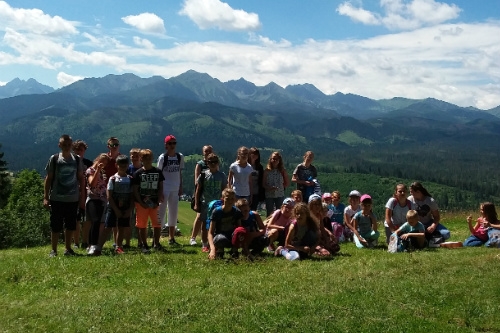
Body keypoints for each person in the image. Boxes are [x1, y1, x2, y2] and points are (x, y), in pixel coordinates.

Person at [43, 134, 86, 257]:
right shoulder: (55, 159)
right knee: (55, 224)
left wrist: (82, 197)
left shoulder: (77, 159)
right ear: (59, 145)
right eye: (64, 145)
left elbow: (81, 179)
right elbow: (48, 178)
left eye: (69, 145)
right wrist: (46, 197)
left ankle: (68, 249)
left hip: (73, 198)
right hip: (56, 198)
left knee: (70, 224)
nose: (67, 147)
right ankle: (54, 250)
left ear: (71, 145)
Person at [94, 155, 133, 255]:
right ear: (116, 165)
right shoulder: (112, 179)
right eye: (121, 166)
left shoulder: (130, 179)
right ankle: (98, 248)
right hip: (113, 207)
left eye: (125, 166)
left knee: (121, 228)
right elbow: (109, 196)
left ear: (128, 166)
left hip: (125, 207)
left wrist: (129, 210)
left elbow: (132, 196)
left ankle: (118, 247)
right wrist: (116, 210)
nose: (123, 168)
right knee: (107, 227)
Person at [191, 153, 227, 252]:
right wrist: (196, 203)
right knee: (204, 224)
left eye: (215, 162)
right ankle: (204, 244)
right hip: (205, 203)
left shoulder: (222, 175)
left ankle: (216, 243)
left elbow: (224, 190)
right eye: (210, 162)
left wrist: (224, 202)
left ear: (218, 163)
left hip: (217, 204)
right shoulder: (203, 175)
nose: (213, 164)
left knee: (217, 224)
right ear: (207, 163)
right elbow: (198, 190)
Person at [132, 149, 164, 253]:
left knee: (157, 224)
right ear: (141, 159)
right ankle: (144, 245)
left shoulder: (158, 172)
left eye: (149, 158)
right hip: (141, 204)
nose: (147, 160)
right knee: (142, 225)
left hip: (155, 203)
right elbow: (135, 190)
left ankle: (156, 243)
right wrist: (140, 202)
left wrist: (158, 200)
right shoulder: (138, 173)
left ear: (152, 158)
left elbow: (160, 187)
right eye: (145, 158)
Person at [157, 135, 184, 246]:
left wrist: (181, 186)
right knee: (161, 213)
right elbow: (158, 174)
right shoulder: (163, 158)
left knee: (173, 214)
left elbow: (180, 173)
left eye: (174, 143)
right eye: (170, 143)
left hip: (175, 188)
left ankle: (171, 238)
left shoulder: (179, 157)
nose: (172, 145)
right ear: (166, 145)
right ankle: (156, 239)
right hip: (164, 189)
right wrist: (159, 191)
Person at [208, 188, 243, 260]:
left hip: (232, 237)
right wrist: (212, 249)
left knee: (241, 232)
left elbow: (240, 229)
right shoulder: (217, 212)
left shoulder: (237, 212)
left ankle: (234, 251)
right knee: (221, 239)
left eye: (232, 199)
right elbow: (210, 232)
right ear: (222, 199)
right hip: (220, 237)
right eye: (227, 199)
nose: (230, 201)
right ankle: (219, 251)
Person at [86, 153, 110, 255]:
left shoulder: (102, 173)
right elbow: (92, 184)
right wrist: (98, 170)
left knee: (99, 222)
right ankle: (92, 245)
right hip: (93, 199)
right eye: (102, 160)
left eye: (105, 162)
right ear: (97, 159)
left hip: (102, 200)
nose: (103, 163)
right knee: (95, 220)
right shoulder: (90, 170)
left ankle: (93, 245)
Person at [189, 145, 213, 247]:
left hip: (211, 194)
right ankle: (193, 238)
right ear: (203, 152)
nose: (207, 152)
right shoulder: (200, 164)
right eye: (206, 151)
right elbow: (196, 181)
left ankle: (207, 238)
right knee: (199, 216)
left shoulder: (213, 163)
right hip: (202, 194)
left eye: (209, 151)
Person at [71, 140, 93, 250]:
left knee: (87, 219)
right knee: (76, 219)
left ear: (84, 150)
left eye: (81, 149)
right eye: (77, 149)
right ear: (73, 150)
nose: (79, 152)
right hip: (74, 193)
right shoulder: (70, 162)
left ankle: (86, 241)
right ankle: (75, 242)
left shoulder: (89, 163)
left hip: (87, 193)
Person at [124, 147, 141, 248]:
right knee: (128, 221)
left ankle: (140, 242)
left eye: (136, 156)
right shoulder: (127, 169)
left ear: (140, 157)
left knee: (139, 221)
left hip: (140, 198)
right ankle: (127, 242)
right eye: (133, 156)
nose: (134, 158)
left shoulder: (143, 169)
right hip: (129, 197)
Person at [263, 151, 289, 217]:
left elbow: (287, 183)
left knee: (280, 212)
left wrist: (281, 188)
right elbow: (263, 184)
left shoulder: (283, 170)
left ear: (279, 160)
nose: (275, 160)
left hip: (280, 194)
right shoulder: (266, 171)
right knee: (269, 212)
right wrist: (269, 188)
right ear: (270, 159)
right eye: (273, 158)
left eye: (277, 159)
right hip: (269, 195)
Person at [248, 147, 265, 211]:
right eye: (253, 154)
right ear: (249, 154)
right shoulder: (245, 165)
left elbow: (261, 180)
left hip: (256, 192)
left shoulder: (259, 167)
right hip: (246, 191)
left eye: (256, 154)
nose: (254, 156)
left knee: (253, 210)